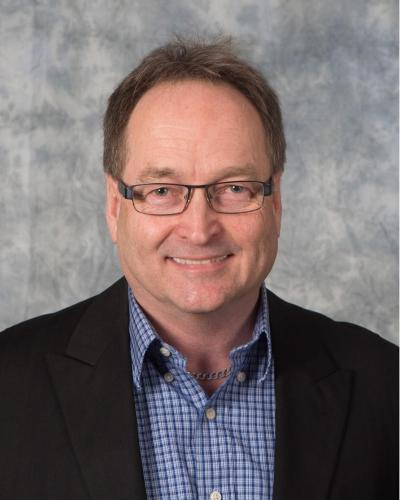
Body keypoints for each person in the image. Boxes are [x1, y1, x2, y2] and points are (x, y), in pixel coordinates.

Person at [0, 38, 397, 500]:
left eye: (234, 188)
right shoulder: (9, 386)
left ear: (275, 202)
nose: (199, 229)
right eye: (162, 190)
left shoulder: (387, 386)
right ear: (114, 205)